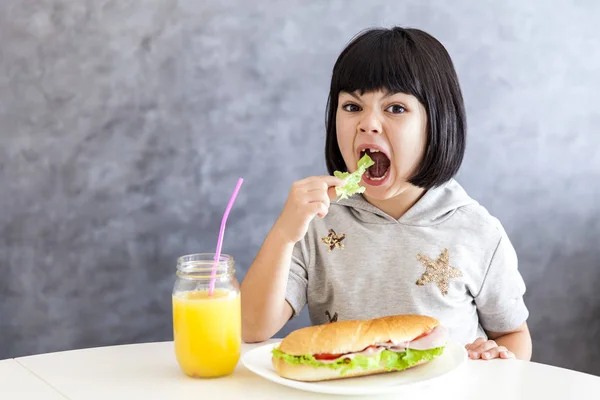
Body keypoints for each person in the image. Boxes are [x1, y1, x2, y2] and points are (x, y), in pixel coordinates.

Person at [241, 26, 532, 361]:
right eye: (352, 107)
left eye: (395, 108)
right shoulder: (318, 219)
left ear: (436, 123)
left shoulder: (477, 230)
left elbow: (513, 333)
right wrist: (283, 234)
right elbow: (251, 328)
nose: (369, 124)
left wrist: (495, 361)